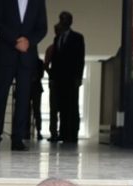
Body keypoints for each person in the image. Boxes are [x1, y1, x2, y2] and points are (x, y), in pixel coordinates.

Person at [0, 0, 48, 151]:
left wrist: (28, 42)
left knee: (23, 98)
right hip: (5, 53)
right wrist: (15, 41)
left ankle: (18, 139)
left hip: (27, 56)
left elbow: (42, 28)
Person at [47, 11, 85, 144]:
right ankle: (63, 133)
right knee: (62, 106)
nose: (62, 21)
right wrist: (52, 78)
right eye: (61, 19)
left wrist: (78, 77)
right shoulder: (57, 39)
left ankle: (72, 134)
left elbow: (80, 59)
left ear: (70, 21)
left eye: (64, 19)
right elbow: (55, 60)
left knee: (72, 106)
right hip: (59, 79)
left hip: (71, 78)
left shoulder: (77, 37)